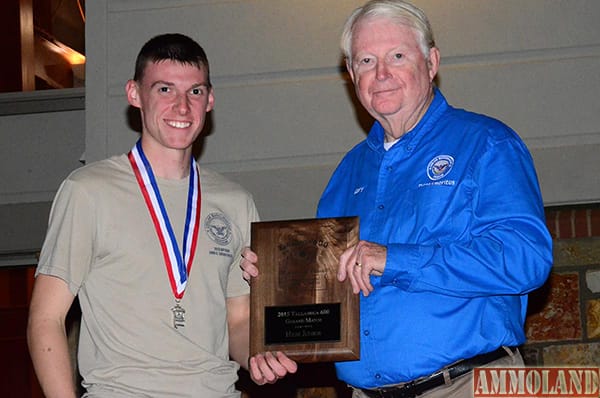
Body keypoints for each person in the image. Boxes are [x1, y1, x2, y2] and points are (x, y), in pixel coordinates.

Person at [241, 1, 553, 397]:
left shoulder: (487, 144)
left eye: (397, 56)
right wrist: (276, 283)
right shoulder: (347, 174)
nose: (381, 73)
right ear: (352, 74)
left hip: (466, 384)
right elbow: (330, 294)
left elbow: (526, 259)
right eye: (367, 60)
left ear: (431, 61)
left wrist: (392, 258)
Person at [27, 33, 296, 398]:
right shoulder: (88, 191)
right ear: (135, 94)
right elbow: (46, 319)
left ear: (210, 99)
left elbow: (238, 318)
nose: (182, 107)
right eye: (165, 90)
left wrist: (258, 357)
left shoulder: (234, 201)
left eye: (195, 92)